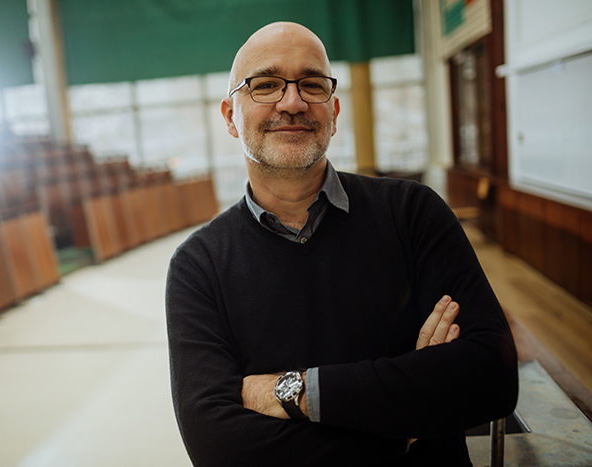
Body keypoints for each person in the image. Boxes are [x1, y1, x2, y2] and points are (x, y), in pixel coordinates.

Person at [165, 21, 518, 466]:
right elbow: (216, 446)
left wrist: (292, 393)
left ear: (333, 112)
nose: (292, 102)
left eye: (311, 84)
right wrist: (403, 426)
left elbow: (493, 377)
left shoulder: (413, 214)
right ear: (231, 116)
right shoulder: (198, 266)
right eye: (266, 85)